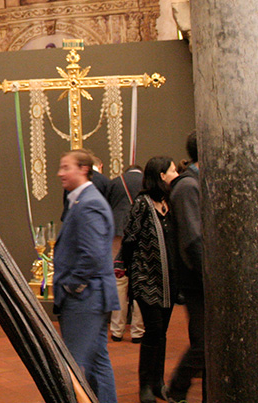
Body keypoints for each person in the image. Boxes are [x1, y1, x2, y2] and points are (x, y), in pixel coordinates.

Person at [53, 149, 120, 403]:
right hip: (90, 297)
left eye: (66, 167)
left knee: (74, 365)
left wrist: (72, 286)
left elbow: (92, 254)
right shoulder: (82, 200)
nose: (60, 173)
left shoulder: (89, 203)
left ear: (83, 169)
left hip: (85, 299)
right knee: (97, 362)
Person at [121, 156, 179, 403]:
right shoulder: (142, 204)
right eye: (173, 171)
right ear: (161, 175)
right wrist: (129, 270)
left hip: (169, 280)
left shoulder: (170, 202)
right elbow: (130, 238)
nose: (177, 175)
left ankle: (158, 383)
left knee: (162, 332)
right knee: (153, 331)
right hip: (147, 280)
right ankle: (145, 385)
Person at [164, 132, 204, 403]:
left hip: (199, 277)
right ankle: (177, 388)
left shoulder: (194, 183)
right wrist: (209, 275)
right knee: (204, 344)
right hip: (197, 279)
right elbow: (193, 240)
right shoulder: (189, 186)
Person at [103, 164, 145, 343]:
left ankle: (117, 329)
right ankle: (138, 331)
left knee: (119, 280)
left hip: (119, 234)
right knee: (140, 280)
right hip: (141, 235)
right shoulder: (146, 182)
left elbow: (107, 207)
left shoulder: (115, 182)